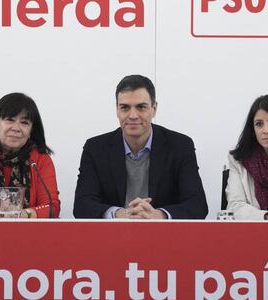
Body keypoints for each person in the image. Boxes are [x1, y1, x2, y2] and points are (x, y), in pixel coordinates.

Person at [74, 75, 208, 219]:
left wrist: (159, 215)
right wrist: (118, 214)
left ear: (154, 108)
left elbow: (197, 205)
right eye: (125, 108)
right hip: (112, 237)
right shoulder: (95, 149)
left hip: (164, 237)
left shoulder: (180, 146)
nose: (133, 115)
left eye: (141, 107)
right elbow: (82, 205)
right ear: (117, 110)